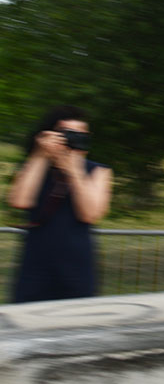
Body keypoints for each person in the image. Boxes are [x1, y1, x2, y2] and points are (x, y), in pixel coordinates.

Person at [7, 105, 113, 303]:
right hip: (35, 263)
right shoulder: (36, 165)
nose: (73, 140)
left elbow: (90, 214)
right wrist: (39, 154)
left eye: (81, 134)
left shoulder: (98, 171)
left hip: (77, 265)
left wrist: (74, 170)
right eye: (67, 134)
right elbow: (19, 201)